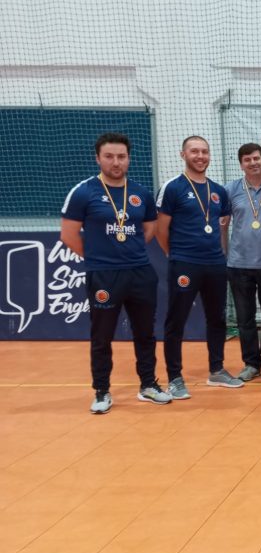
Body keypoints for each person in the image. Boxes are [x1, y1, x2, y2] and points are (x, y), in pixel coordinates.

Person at [60, 132, 171, 413]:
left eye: (121, 156)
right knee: (102, 335)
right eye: (109, 156)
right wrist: (100, 257)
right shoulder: (84, 191)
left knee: (145, 333)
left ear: (128, 159)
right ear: (98, 158)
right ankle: (101, 391)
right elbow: (69, 235)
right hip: (104, 276)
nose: (115, 162)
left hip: (140, 273)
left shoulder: (140, 193)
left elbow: (149, 229)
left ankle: (148, 385)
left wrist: (127, 250)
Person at [156, 136, 242, 398]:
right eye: (195, 151)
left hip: (215, 263)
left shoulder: (218, 191)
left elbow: (221, 226)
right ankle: (175, 377)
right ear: (183, 154)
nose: (200, 156)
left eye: (204, 151)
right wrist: (177, 255)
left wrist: (220, 256)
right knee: (176, 320)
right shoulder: (173, 187)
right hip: (184, 263)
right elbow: (161, 230)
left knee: (217, 319)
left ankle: (216, 370)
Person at [223, 143, 261, 383]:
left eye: (256, 158)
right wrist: (226, 256)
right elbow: (223, 224)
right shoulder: (231, 189)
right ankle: (251, 363)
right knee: (245, 318)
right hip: (239, 264)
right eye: (247, 159)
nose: (253, 163)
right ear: (241, 164)